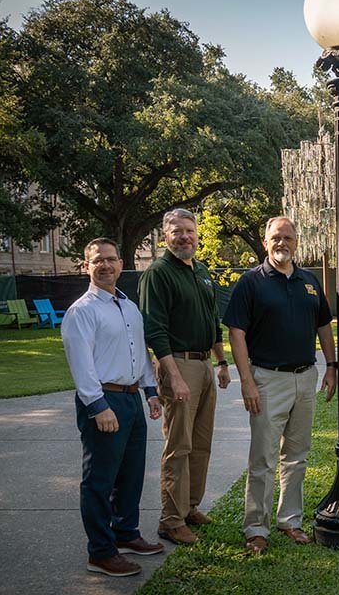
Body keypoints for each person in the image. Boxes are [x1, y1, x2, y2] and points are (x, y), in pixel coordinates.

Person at [223, 216, 337, 554]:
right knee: (263, 457)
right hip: (267, 378)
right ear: (265, 242)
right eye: (276, 237)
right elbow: (236, 333)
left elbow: (324, 326)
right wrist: (247, 382)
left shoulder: (309, 281)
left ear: (296, 242)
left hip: (306, 377)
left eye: (288, 237)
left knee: (297, 455)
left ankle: (291, 521)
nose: (282, 243)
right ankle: (256, 527)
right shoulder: (251, 283)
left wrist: (331, 366)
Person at [62, 238, 164, 577]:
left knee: (131, 474)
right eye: (97, 261)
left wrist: (150, 391)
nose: (105, 266)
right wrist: (98, 406)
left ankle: (126, 533)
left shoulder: (129, 306)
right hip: (104, 400)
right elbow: (81, 365)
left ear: (121, 264)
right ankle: (101, 552)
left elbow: (140, 353)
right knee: (100, 480)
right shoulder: (83, 311)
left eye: (111, 259)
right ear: (86, 266)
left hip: (132, 398)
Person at [138, 209, 231, 545]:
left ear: (197, 235)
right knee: (179, 446)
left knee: (201, 444)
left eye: (189, 231)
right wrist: (173, 376)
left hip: (204, 365)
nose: (184, 237)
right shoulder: (158, 273)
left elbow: (211, 319)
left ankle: (190, 507)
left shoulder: (201, 271)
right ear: (166, 236)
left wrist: (221, 362)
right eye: (177, 231)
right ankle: (171, 520)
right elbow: (154, 328)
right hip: (178, 365)